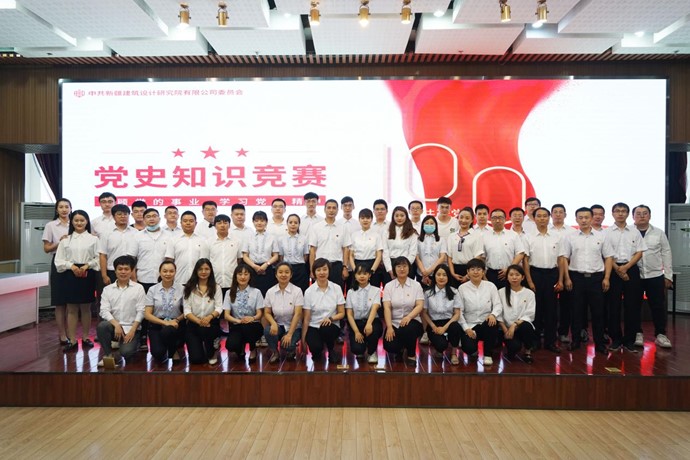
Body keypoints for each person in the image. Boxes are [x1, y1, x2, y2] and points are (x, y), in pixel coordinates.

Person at [559, 207, 613, 354]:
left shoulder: (602, 236)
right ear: (576, 219)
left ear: (591, 218)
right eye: (580, 217)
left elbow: (608, 257)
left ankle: (599, 343)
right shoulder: (570, 237)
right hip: (576, 278)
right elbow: (564, 258)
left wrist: (607, 277)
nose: (583, 220)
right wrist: (567, 278)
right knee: (576, 311)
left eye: (586, 217)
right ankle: (575, 341)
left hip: (596, 279)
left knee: (598, 313)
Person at [54, 209, 99, 352]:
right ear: (72, 222)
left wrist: (87, 266)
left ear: (87, 222)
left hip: (88, 273)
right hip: (69, 274)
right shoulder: (65, 240)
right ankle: (72, 340)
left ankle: (85, 337)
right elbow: (59, 260)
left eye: (82, 220)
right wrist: (71, 266)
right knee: (72, 309)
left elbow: (99, 258)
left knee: (86, 308)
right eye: (76, 220)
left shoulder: (94, 239)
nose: (79, 223)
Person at [605, 202, 647, 352]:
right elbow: (605, 254)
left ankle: (629, 340)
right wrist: (618, 269)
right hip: (613, 270)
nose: (620, 213)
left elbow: (640, 252)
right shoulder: (606, 232)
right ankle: (616, 339)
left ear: (628, 214)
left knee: (632, 306)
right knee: (613, 306)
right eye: (617, 211)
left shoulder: (634, 232)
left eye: (623, 211)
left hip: (631, 269)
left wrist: (626, 267)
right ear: (612, 213)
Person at [523, 207, 562, 353]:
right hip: (535, 274)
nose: (542, 218)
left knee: (551, 310)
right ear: (534, 218)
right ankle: (534, 341)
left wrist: (561, 280)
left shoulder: (556, 236)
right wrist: (529, 280)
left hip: (552, 274)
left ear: (549, 217)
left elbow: (561, 259)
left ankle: (550, 342)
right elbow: (525, 260)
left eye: (545, 216)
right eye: (539, 216)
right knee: (535, 310)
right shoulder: (528, 237)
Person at [633, 204, 673, 348]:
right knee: (634, 306)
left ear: (649, 216)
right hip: (634, 276)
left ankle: (661, 334)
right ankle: (637, 333)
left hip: (655, 275)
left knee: (657, 306)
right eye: (638, 213)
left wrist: (668, 275)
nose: (642, 216)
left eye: (645, 213)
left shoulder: (659, 233)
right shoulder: (629, 232)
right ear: (633, 216)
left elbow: (666, 253)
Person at [132, 207, 172, 350]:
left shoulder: (168, 236)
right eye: (148, 216)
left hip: (164, 280)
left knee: (164, 308)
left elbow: (169, 259)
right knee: (143, 309)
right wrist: (134, 279)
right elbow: (133, 259)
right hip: (143, 279)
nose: (151, 219)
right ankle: (143, 337)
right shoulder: (137, 236)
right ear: (143, 220)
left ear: (159, 218)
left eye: (154, 216)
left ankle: (163, 336)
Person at [97, 255, 146, 366]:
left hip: (131, 328)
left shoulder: (139, 288)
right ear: (115, 271)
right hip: (114, 327)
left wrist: (133, 329)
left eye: (126, 269)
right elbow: (104, 310)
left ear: (131, 271)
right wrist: (116, 324)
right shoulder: (107, 289)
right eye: (120, 269)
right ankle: (108, 356)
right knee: (102, 326)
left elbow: (141, 311)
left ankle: (127, 347)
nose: (123, 272)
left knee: (127, 352)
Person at [458, 258, 502, 366]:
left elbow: (498, 305)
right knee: (469, 348)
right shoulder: (462, 288)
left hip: (485, 323)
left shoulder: (491, 286)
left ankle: (487, 355)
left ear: (483, 272)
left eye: (478, 269)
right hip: (470, 325)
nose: (476, 272)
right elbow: (459, 311)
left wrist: (493, 314)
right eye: (472, 269)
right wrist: (466, 328)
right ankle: (473, 350)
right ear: (468, 272)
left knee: (492, 323)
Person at [301, 258, 346, 363]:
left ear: (329, 271)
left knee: (326, 328)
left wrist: (331, 318)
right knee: (316, 348)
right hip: (314, 325)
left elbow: (342, 313)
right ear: (314, 272)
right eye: (318, 270)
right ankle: (318, 350)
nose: (322, 272)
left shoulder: (336, 288)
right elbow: (306, 318)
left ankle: (331, 350)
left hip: (331, 325)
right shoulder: (309, 291)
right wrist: (303, 340)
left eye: (325, 269)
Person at [382, 257, 425, 364]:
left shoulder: (416, 285)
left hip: (413, 321)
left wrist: (409, 317)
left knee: (407, 329)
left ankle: (411, 354)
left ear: (409, 268)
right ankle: (400, 349)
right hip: (395, 322)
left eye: (405, 266)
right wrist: (389, 327)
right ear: (394, 269)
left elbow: (420, 305)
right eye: (399, 266)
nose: (402, 269)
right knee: (390, 346)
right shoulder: (389, 286)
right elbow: (387, 308)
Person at [42, 198, 72, 345]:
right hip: (58, 262)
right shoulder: (51, 225)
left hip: (75, 263)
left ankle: (71, 333)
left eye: (67, 207)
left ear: (71, 209)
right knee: (60, 302)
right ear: (56, 209)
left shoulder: (77, 223)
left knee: (72, 302)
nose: (64, 209)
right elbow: (46, 248)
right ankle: (62, 334)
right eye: (61, 207)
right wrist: (60, 242)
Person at [183, 258, 223, 365]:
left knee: (205, 330)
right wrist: (198, 321)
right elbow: (186, 310)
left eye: (206, 269)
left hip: (211, 323)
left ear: (211, 271)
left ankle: (212, 351)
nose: (203, 272)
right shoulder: (189, 287)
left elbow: (219, 308)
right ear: (196, 271)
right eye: (200, 269)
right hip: (193, 323)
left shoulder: (216, 287)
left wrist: (209, 317)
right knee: (196, 359)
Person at [144, 260, 185, 363]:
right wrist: (164, 323)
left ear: (175, 272)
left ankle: (173, 351)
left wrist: (176, 320)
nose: (168, 274)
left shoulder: (182, 289)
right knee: (157, 353)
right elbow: (147, 314)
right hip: (157, 324)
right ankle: (166, 346)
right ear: (160, 272)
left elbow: (187, 311)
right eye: (165, 271)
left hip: (175, 324)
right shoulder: (152, 290)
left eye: (171, 271)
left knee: (168, 331)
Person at [421, 264, 462, 365]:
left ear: (448, 277)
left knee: (456, 327)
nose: (441, 277)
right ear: (434, 276)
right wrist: (433, 326)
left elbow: (457, 314)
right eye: (438, 274)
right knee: (441, 345)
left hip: (449, 322)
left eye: (444, 275)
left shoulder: (454, 292)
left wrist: (444, 328)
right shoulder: (428, 293)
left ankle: (453, 353)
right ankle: (439, 348)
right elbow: (424, 313)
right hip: (434, 323)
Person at [263, 262, 304, 363]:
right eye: (280, 272)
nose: (283, 275)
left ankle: (291, 350)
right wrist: (273, 323)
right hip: (279, 325)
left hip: (294, 327)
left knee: (288, 345)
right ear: (276, 275)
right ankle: (275, 352)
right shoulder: (270, 292)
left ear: (291, 274)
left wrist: (289, 334)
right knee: (268, 331)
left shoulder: (297, 291)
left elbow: (298, 314)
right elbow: (267, 312)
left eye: (286, 272)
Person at [223, 264, 264, 361]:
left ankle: (253, 349)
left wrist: (252, 318)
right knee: (231, 345)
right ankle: (240, 347)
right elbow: (226, 315)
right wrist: (238, 321)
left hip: (253, 324)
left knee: (247, 328)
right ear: (235, 276)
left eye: (246, 274)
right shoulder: (229, 293)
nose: (243, 277)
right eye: (240, 274)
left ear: (250, 276)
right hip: (237, 324)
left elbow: (260, 313)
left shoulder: (256, 292)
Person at [498, 264, 537, 363]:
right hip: (506, 329)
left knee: (527, 326)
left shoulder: (529, 293)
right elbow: (498, 313)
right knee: (514, 348)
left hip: (521, 327)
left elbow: (530, 314)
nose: (514, 277)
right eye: (511, 275)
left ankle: (528, 352)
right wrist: (505, 330)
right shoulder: (501, 292)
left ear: (522, 277)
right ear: (507, 277)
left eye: (517, 275)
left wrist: (515, 325)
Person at [308, 199, 351, 287]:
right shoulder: (316, 227)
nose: (331, 210)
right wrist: (312, 269)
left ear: (337, 210)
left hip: (337, 266)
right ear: (324, 210)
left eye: (334, 208)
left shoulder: (343, 228)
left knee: (337, 292)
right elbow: (312, 250)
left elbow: (346, 249)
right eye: (329, 208)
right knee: (319, 292)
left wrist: (345, 267)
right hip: (320, 266)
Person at [345, 264, 383, 364]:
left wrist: (369, 323)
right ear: (355, 276)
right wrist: (356, 332)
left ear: (369, 275)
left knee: (373, 330)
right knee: (357, 349)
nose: (362, 276)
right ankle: (361, 349)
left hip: (372, 321)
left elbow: (374, 308)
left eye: (365, 273)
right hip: (356, 323)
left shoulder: (376, 290)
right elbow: (349, 314)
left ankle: (372, 352)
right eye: (359, 274)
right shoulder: (350, 292)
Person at [483, 208, 525, 290]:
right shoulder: (484, 236)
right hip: (491, 273)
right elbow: (482, 256)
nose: (497, 220)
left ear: (505, 219)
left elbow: (520, 253)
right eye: (494, 218)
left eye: (500, 218)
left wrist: (509, 269)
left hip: (509, 273)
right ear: (490, 220)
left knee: (508, 296)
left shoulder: (513, 235)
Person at [98, 204, 137, 286]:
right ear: (113, 216)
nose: (123, 216)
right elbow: (103, 255)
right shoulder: (106, 233)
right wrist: (104, 275)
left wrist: (134, 275)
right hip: (112, 271)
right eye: (119, 214)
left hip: (131, 271)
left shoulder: (135, 233)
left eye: (125, 214)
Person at [242, 210, 279, 296]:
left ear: (266, 222)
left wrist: (266, 264)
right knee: (252, 295)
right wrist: (254, 266)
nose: (259, 223)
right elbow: (245, 256)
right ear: (253, 222)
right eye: (256, 220)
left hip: (267, 269)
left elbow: (276, 255)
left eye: (262, 220)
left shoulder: (272, 237)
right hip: (252, 269)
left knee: (267, 294)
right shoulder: (248, 237)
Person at [205, 214, 243, 299]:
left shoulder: (237, 241)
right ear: (215, 225)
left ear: (229, 225)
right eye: (219, 223)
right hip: (214, 281)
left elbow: (239, 260)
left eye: (225, 223)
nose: (222, 225)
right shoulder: (208, 242)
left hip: (232, 281)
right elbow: (206, 261)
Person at [447, 207, 485, 289]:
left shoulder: (476, 236)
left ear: (472, 220)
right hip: (454, 271)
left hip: (471, 270)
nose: (463, 220)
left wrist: (468, 275)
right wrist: (452, 273)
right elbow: (449, 257)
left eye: (467, 218)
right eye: (461, 217)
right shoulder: (452, 236)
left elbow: (477, 257)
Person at [165, 211, 205, 285]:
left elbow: (204, 262)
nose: (188, 223)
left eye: (191, 221)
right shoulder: (173, 239)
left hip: (198, 281)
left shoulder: (202, 240)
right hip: (178, 280)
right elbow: (169, 260)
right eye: (185, 221)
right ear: (181, 223)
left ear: (196, 223)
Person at [349, 208, 385, 290]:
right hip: (357, 265)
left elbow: (379, 256)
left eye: (368, 218)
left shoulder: (376, 235)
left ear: (371, 219)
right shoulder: (354, 235)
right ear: (359, 220)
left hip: (372, 265)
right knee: (356, 291)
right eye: (362, 218)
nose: (365, 220)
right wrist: (355, 270)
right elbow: (351, 255)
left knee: (373, 291)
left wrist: (372, 271)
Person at [383, 206, 418, 284]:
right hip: (391, 265)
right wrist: (390, 270)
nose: (399, 218)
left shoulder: (412, 232)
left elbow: (412, 252)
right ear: (393, 217)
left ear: (406, 216)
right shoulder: (387, 232)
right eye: (397, 216)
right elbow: (385, 252)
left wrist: (405, 267)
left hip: (407, 264)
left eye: (402, 215)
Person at [277, 214, 310, 293]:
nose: (293, 224)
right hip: (286, 269)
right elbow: (281, 256)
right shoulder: (281, 239)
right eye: (290, 222)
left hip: (300, 269)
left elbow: (305, 255)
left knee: (301, 291)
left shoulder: (304, 238)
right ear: (287, 223)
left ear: (299, 224)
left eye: (296, 222)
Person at [416, 215, 447, 286]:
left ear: (436, 226)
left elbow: (442, 257)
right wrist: (424, 273)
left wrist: (429, 271)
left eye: (432, 223)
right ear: (423, 225)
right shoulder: (418, 240)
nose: (429, 225)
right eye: (427, 223)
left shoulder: (441, 239)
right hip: (421, 274)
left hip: (436, 273)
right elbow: (417, 258)